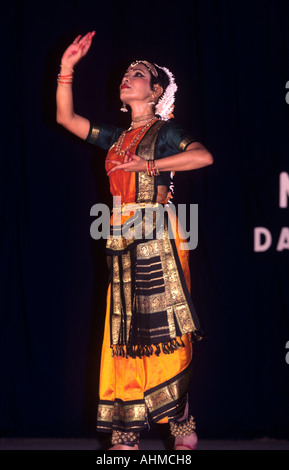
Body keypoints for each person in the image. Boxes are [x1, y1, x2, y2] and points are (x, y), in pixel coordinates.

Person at [56, 31, 213, 451]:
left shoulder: (163, 131)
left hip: (158, 234)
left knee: (161, 329)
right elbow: (66, 120)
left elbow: (202, 156)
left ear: (156, 90)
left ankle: (178, 417)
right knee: (124, 332)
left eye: (138, 74)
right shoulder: (116, 136)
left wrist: (150, 163)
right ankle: (126, 429)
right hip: (121, 235)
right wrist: (67, 69)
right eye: (126, 73)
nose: (128, 76)